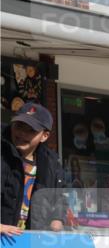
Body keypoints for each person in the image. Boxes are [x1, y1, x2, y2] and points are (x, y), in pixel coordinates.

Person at [1, 102, 66, 238]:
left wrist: (57, 218)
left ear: (45, 136)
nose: (22, 133)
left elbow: (59, 197)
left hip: (31, 242)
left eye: (31, 130)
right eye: (19, 126)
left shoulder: (51, 164)